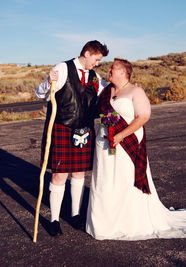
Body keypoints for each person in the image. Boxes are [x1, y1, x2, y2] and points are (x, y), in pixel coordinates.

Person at [86, 58, 186, 240]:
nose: (109, 71)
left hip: (126, 142)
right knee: (105, 181)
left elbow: (143, 116)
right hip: (105, 142)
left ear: (123, 71)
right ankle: (104, 223)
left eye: (112, 68)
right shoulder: (107, 91)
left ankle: (127, 223)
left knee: (125, 180)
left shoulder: (136, 91)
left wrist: (121, 135)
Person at [36, 40, 109, 236]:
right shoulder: (63, 68)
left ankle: (75, 215)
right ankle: (54, 220)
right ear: (87, 53)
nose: (97, 63)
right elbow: (40, 93)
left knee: (79, 173)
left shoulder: (95, 76)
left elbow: (106, 95)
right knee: (60, 175)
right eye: (96, 59)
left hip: (85, 128)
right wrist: (47, 82)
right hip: (62, 126)